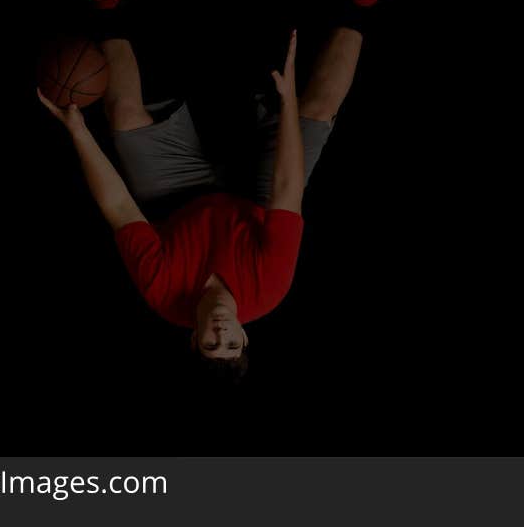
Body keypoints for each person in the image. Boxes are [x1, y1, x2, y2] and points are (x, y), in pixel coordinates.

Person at [37, 24, 364, 379]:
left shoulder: (161, 293)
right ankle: (361, 2)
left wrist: (78, 131)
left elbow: (119, 208)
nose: (221, 334)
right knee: (316, 112)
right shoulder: (270, 288)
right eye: (231, 344)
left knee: (124, 116)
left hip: (178, 199)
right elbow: (287, 188)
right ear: (245, 337)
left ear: (193, 339)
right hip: (256, 197)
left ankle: (106, 2)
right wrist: (287, 101)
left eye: (211, 344)